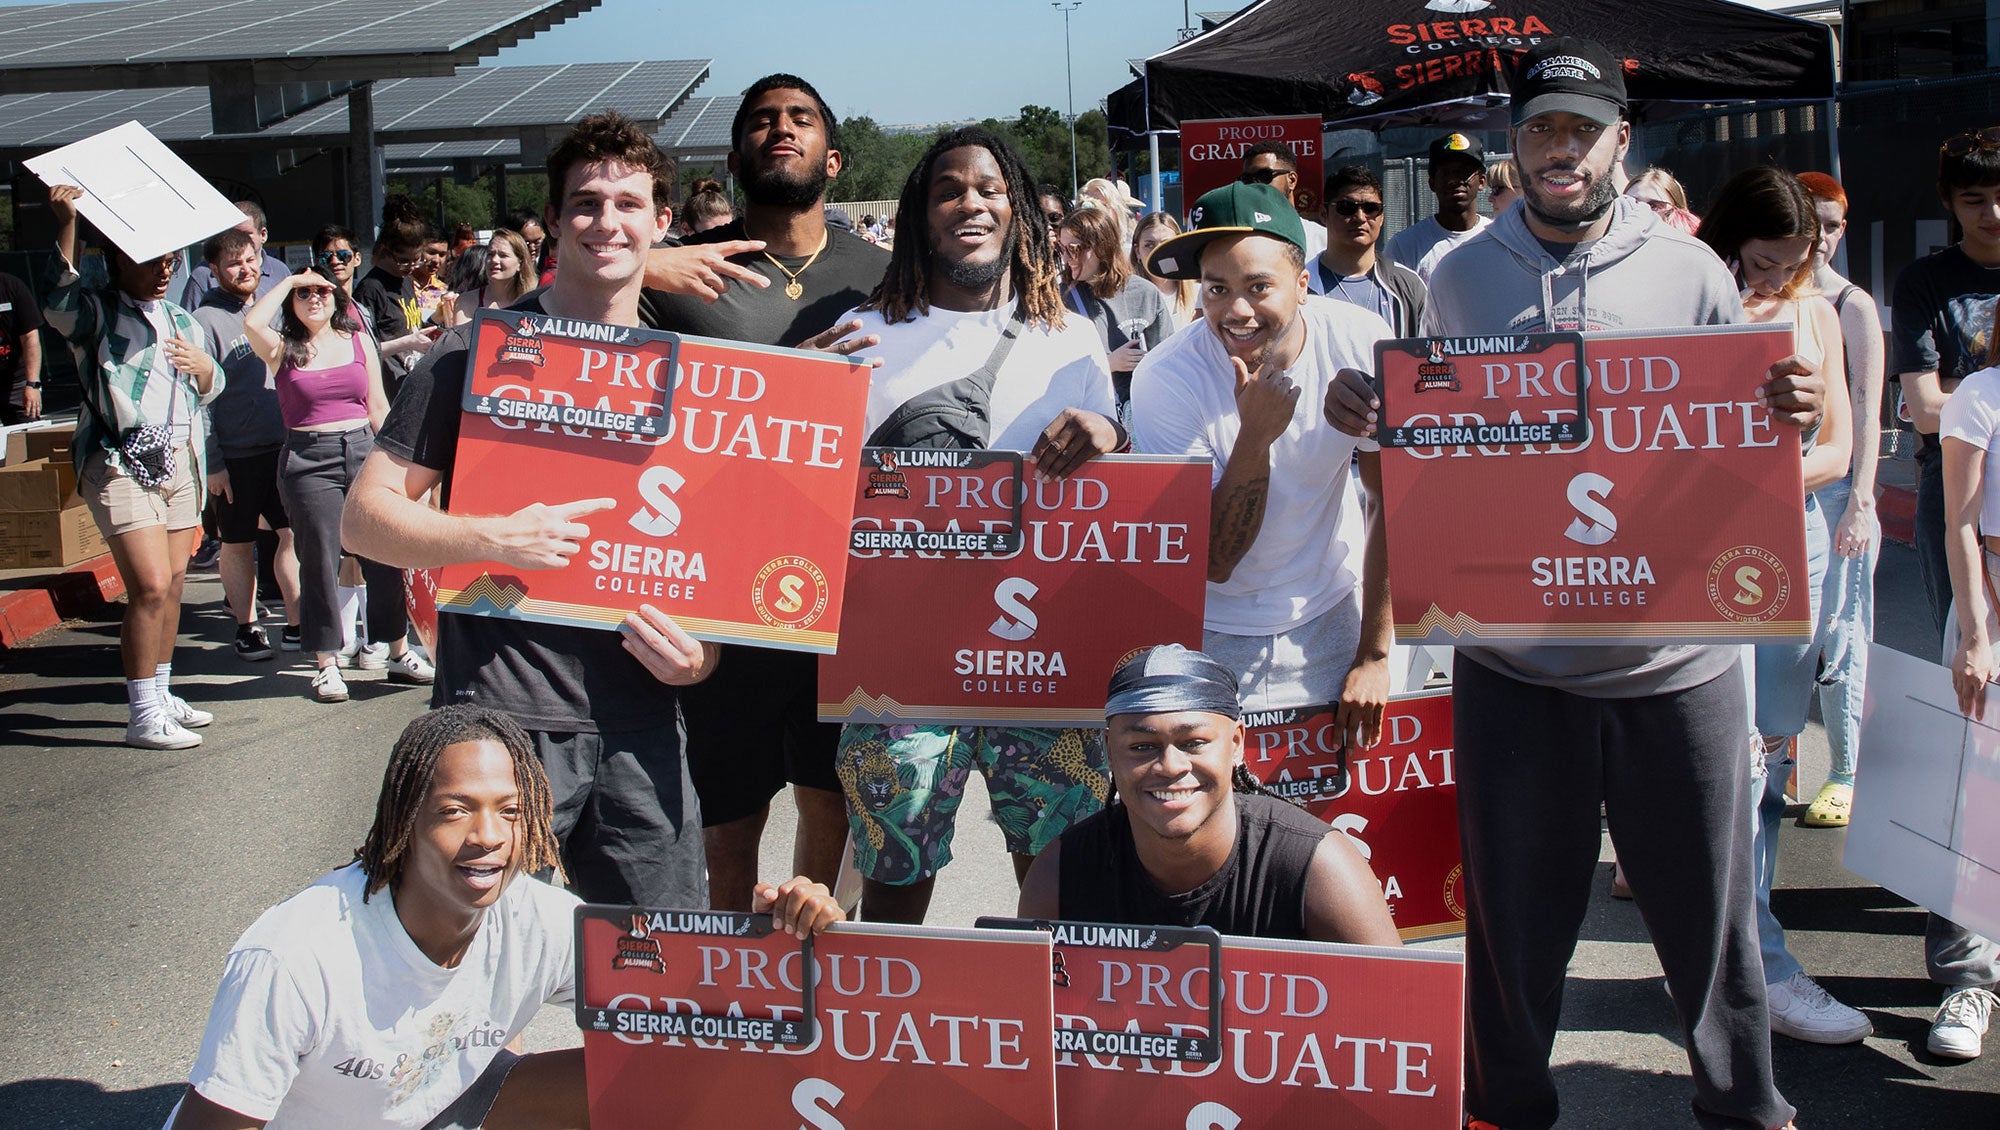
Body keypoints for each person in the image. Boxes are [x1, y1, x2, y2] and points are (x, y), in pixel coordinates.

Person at [1326, 38, 1822, 1130]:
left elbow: (1735, 441)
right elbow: (1427, 462)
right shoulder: (1455, 275)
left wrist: (1785, 410)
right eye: (1541, 128)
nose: (1561, 149)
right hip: (1514, 663)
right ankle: (1506, 1108)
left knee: (1712, 925)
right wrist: (1367, 417)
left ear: (1618, 141)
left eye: (1581, 130)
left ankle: (1744, 1105)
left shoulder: (1689, 267)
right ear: (1515, 140)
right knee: (1511, 927)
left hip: (1673, 662)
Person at [344, 111, 719, 908]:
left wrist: (705, 659)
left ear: (662, 223)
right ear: (553, 220)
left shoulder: (704, 381)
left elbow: (725, 565)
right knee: (464, 987)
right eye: (585, 202)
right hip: (496, 726)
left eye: (628, 203)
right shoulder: (474, 352)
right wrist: (490, 537)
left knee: (656, 992)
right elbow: (364, 517)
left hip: (642, 726)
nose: (605, 221)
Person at [162, 705, 845, 1130]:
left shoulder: (538, 917)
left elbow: (697, 1009)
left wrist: (776, 936)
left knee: (662, 1077)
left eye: (510, 812)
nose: (489, 835)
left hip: (446, 1110)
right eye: (456, 810)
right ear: (403, 819)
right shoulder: (296, 956)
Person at [831, 126, 1122, 925]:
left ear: (1019, 210)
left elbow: (1115, 495)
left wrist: (1114, 436)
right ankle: (891, 1039)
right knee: (894, 882)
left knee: (1062, 872)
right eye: (950, 190)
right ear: (920, 215)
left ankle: (1058, 1031)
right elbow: (816, 496)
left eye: (991, 189)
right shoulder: (865, 336)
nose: (972, 202)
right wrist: (809, 395)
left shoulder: (1071, 338)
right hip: (904, 659)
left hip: (1045, 655)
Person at [634, 73, 890, 913]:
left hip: (845, 584)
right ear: (736, 153)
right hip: (719, 587)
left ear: (834, 155)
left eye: (802, 118)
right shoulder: (683, 278)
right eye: (762, 122)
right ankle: (726, 1004)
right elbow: (583, 340)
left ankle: (805, 992)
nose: (782, 130)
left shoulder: (886, 277)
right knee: (725, 824)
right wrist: (645, 258)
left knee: (828, 810)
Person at [1133, 181, 1393, 750]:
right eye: (1216, 288)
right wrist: (1256, 437)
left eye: (1259, 286)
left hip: (1332, 613)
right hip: (1211, 633)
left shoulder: (1361, 340)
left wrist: (1374, 653)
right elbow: (1214, 562)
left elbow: (1388, 502)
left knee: (1336, 819)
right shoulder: (1166, 377)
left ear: (1303, 285)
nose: (1236, 311)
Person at [1699, 166, 1865, 1046]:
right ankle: (1732, 953)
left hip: (1782, 540)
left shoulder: (1816, 314)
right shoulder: (1689, 296)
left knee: (1765, 761)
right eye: (1760, 263)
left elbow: (1837, 443)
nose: (1772, 282)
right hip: (1684, 549)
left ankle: (1757, 952)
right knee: (1707, 759)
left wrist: (1759, 484)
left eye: (1792, 266)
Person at [1018, 644, 1401, 944]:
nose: (1170, 766)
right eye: (1141, 747)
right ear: (1107, 750)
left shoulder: (1318, 867)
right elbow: (1023, 1025)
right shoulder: (1061, 873)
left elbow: (1403, 1019)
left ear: (1236, 744)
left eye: (1194, 742)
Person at [41, 183, 222, 751]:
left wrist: (205, 370)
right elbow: (56, 305)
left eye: (171, 260)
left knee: (170, 585)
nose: (165, 270)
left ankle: (160, 692)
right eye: (152, 260)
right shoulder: (96, 310)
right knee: (146, 584)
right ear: (119, 259)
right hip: (118, 459)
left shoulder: (182, 320)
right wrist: (66, 224)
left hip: (180, 462)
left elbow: (212, 388)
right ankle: (142, 711)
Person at [1891, 131, 2000, 1060]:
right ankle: (1966, 970)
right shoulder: (1930, 283)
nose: (1992, 215)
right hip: (1961, 509)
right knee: (1967, 727)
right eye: (1974, 199)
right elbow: (1927, 408)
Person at [241, 269, 431, 703]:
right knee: (320, 560)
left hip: (364, 449)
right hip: (309, 460)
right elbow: (253, 323)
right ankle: (327, 663)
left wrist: (400, 473)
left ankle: (398, 651)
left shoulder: (359, 340)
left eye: (322, 291)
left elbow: (379, 406)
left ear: (337, 298)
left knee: (384, 552)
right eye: (304, 293)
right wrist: (289, 281)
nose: (314, 298)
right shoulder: (281, 349)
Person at [1793, 170, 1886, 828]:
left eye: (1831, 225)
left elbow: (1867, 412)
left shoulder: (1853, 304)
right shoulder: (1776, 299)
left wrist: (1861, 501)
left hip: (1840, 498)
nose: (1821, 237)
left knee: (1842, 637)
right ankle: (1777, 761)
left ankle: (1846, 769)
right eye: (1811, 223)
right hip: (1788, 493)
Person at [1933, 300, 2000, 1061]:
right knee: (1978, 796)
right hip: (1993, 593)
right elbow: (1960, 522)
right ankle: (1967, 978)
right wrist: (1979, 634)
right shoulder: (1981, 394)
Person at [192, 229, 302, 662]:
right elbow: (198, 400)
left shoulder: (275, 311)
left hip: (284, 449)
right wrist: (214, 463)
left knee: (290, 536)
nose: (246, 268)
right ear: (215, 270)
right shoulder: (203, 321)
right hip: (234, 457)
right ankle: (247, 627)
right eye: (235, 262)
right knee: (237, 543)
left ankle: (296, 623)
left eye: (251, 259)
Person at [1057, 203, 1172, 421]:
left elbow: (1168, 360)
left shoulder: (1145, 292)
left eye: (1074, 249)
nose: (1066, 258)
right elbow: (1049, 369)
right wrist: (1107, 363)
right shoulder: (1058, 298)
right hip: (1083, 416)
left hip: (1138, 414)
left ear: (1101, 247)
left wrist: (1146, 364)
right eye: (1061, 249)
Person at [1308, 165, 1426, 336]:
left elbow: (1427, 354)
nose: (1360, 217)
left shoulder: (1407, 285)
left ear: (1382, 217)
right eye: (1347, 207)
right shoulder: (1299, 286)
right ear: (1324, 214)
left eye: (1371, 208)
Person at [351, 199, 437, 394]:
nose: (412, 266)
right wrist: (408, 342)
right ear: (386, 251)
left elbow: (409, 328)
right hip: (387, 390)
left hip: (410, 383)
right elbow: (361, 349)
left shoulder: (406, 281)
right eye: (403, 261)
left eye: (418, 260)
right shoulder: (371, 289)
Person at [1384, 131, 1490, 284]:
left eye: (1464, 172)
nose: (1455, 180)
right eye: (1447, 173)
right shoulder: (1405, 246)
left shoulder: (1498, 238)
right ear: (1432, 183)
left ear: (1481, 181)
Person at [181, 200, 290, 308]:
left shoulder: (281, 271)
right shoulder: (203, 274)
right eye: (232, 234)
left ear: (263, 235)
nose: (239, 240)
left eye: (246, 234)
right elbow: (190, 321)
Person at [1240, 141, 1326, 258]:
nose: (1255, 185)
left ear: (1291, 180)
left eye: (1264, 176)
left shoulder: (1324, 242)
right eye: (1247, 179)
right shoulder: (1240, 245)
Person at [445, 229, 534, 327]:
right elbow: (462, 341)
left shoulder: (533, 302)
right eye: (490, 254)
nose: (494, 260)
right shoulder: (466, 302)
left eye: (503, 255)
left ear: (520, 264)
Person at [1131, 212, 1196, 328]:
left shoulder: (1199, 294)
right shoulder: (1127, 297)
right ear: (1137, 251)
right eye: (1149, 245)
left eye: (1166, 244)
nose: (1157, 251)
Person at [0, 266, 45, 426]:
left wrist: (32, 385)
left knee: (29, 440)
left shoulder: (11, 286)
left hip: (17, 380)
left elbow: (30, 338)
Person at [1627, 166, 1703, 234]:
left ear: (1679, 213)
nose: (1641, 210)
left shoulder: (1688, 246)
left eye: (1654, 206)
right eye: (1631, 203)